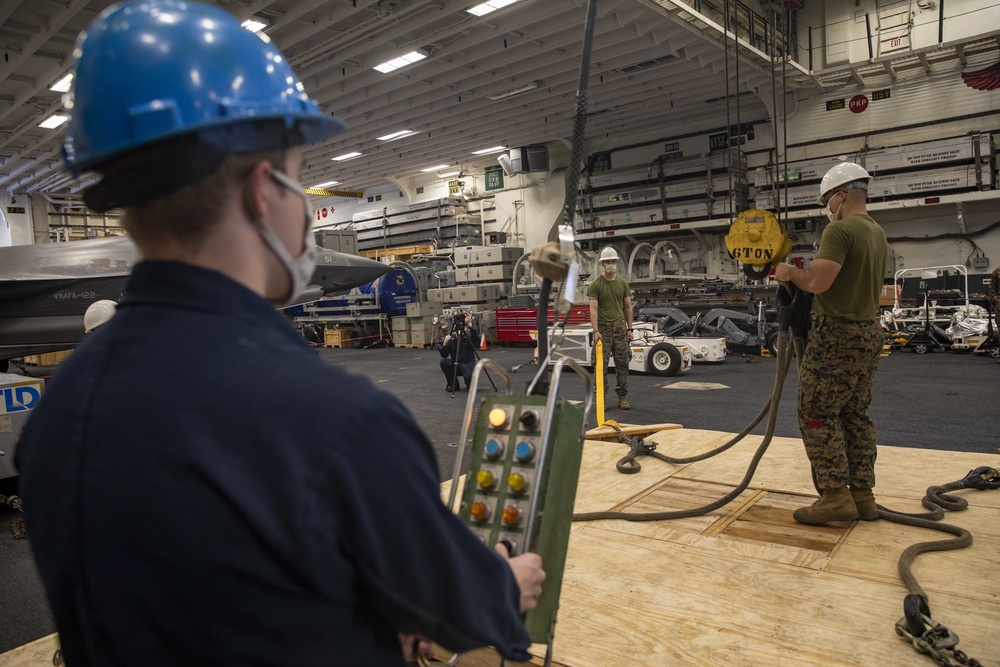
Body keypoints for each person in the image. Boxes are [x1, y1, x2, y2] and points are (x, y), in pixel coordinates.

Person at [15, 2, 544, 665]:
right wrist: (506, 584)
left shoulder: (57, 416)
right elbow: (457, 612)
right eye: (299, 181)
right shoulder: (339, 421)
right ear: (263, 191)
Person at [773, 162, 888, 525]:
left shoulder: (840, 231)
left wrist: (790, 272)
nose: (827, 206)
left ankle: (835, 495)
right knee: (854, 414)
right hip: (868, 332)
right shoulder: (876, 232)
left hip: (838, 336)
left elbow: (817, 283)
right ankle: (862, 495)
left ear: (840, 196)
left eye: (827, 199)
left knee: (817, 414)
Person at [588, 246, 634, 410]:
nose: (611, 264)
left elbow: (628, 307)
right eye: (608, 261)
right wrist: (595, 331)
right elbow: (593, 309)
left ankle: (622, 397)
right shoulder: (595, 285)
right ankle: (602, 399)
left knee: (623, 364)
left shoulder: (622, 283)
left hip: (620, 329)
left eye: (613, 261)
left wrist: (630, 329)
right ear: (602, 264)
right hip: (603, 330)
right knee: (600, 366)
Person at [439, 310, 480, 391]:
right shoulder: (451, 338)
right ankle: (453, 384)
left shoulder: (468, 336)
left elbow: (477, 341)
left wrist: (469, 323)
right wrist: (444, 344)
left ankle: (470, 384)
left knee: (468, 376)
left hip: (468, 363)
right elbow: (444, 355)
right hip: (456, 364)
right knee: (443, 361)